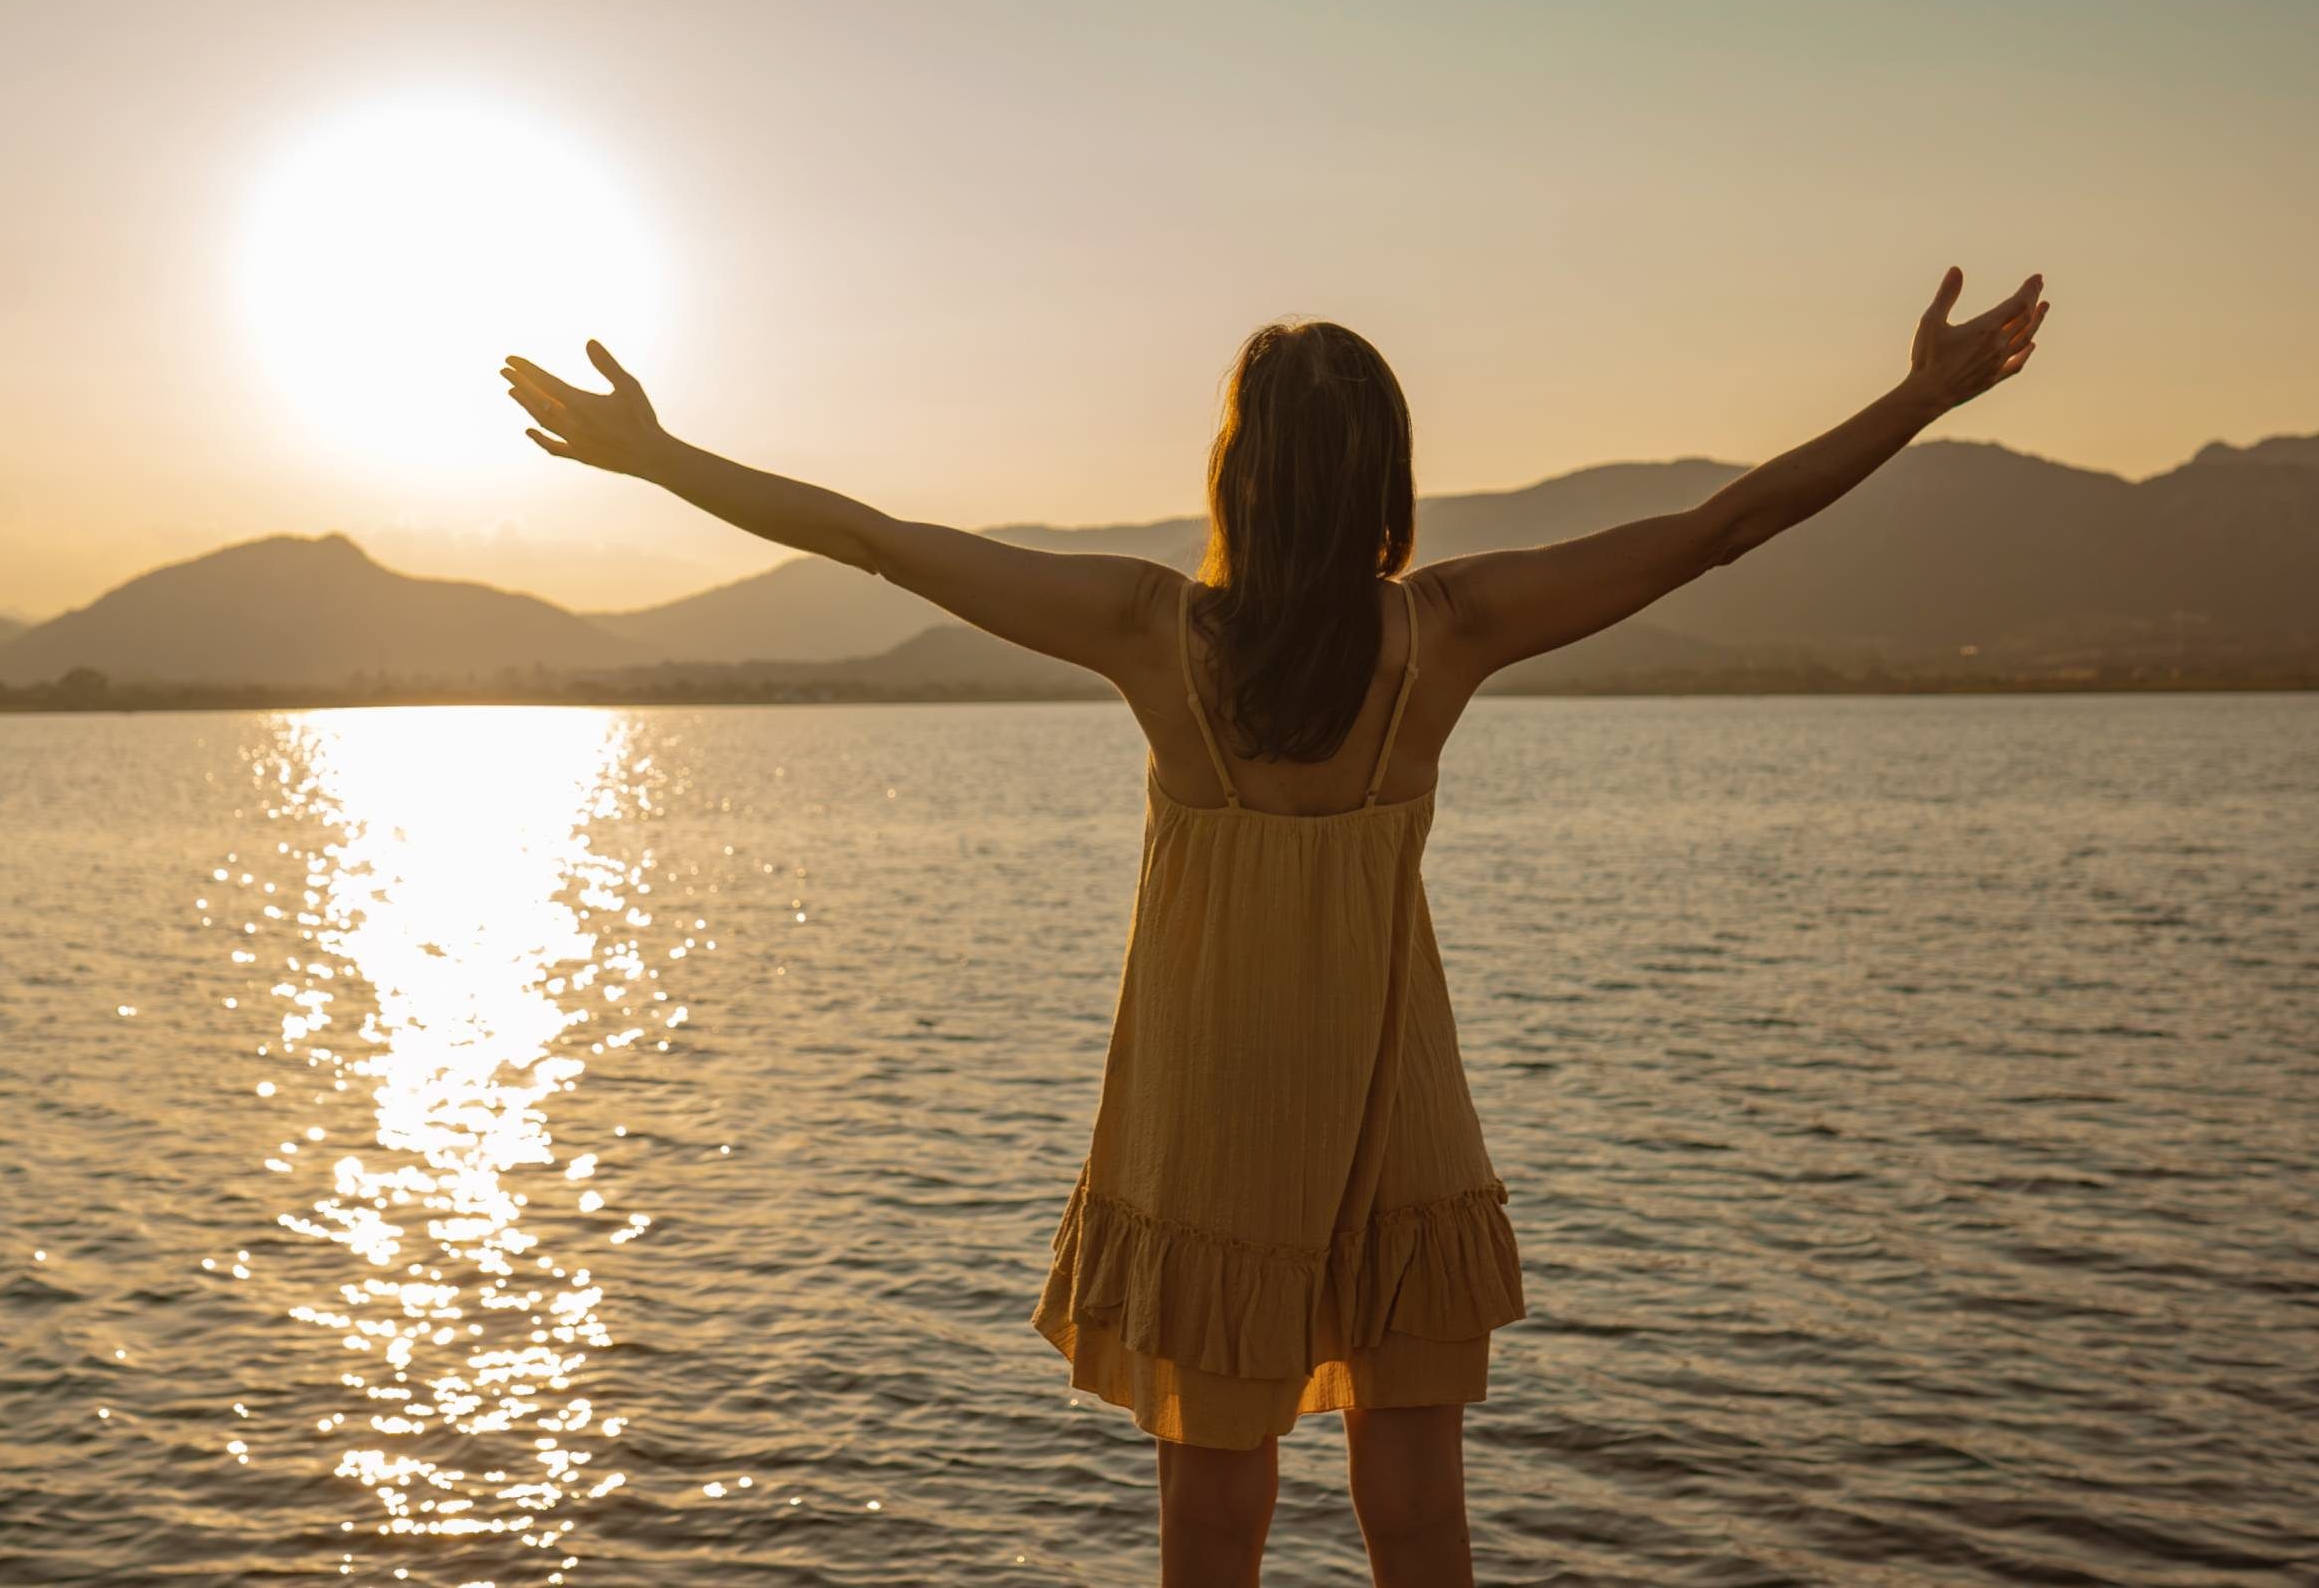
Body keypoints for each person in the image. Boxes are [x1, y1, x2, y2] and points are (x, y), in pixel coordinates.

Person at [500, 265, 2047, 1587]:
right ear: (1386, 478)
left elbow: (878, 541)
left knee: (1214, 1515)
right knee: (1418, 1500)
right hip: (1393, 1088)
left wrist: (662, 458)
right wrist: (1917, 400)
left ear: (1238, 475)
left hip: (1214, 1109)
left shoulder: (1149, 632)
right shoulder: (1449, 631)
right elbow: (1728, 525)